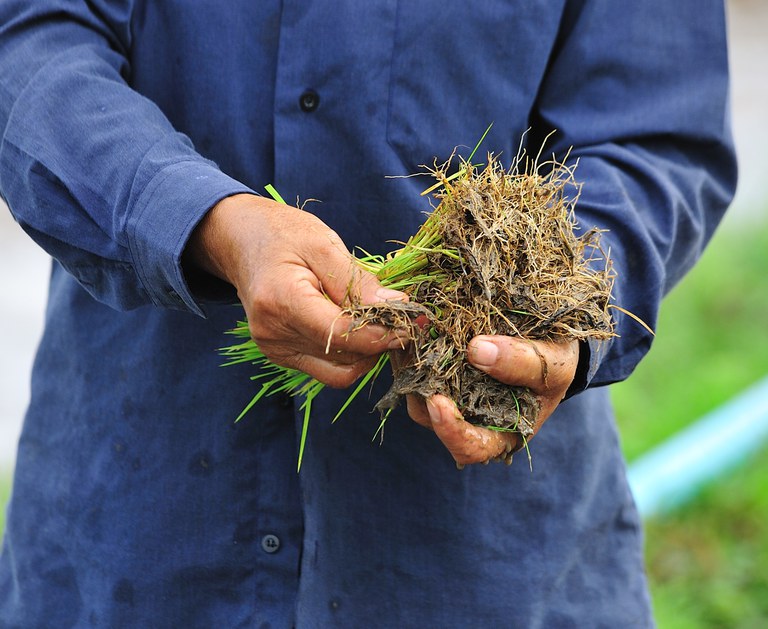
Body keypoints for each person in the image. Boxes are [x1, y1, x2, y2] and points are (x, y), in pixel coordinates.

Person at [0, 2, 735, 627]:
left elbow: (656, 135)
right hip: (137, 525)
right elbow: (30, 43)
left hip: (480, 564)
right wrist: (202, 220)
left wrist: (555, 302)